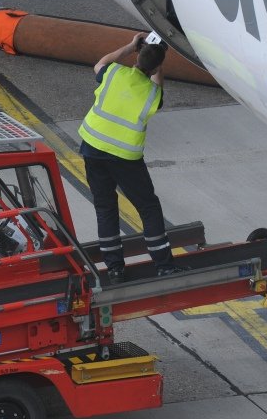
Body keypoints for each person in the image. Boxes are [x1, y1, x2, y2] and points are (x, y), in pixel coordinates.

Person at [78, 32, 187, 285]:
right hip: (125, 158)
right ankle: (163, 266)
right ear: (158, 66)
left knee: (105, 208)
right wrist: (158, 67)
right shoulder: (151, 94)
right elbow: (158, 86)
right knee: (148, 208)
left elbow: (101, 62)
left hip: (92, 148)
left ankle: (115, 269)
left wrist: (129, 46)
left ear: (137, 55)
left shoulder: (113, 73)